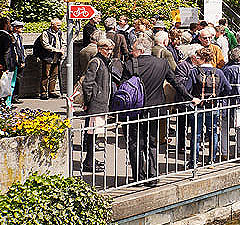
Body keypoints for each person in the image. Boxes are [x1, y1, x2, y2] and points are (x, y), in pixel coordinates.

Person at [123, 34, 183, 184]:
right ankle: (153, 176)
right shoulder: (162, 64)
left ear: (140, 50)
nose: (131, 51)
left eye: (133, 49)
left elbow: (123, 88)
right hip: (155, 109)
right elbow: (175, 82)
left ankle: (138, 177)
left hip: (134, 110)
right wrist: (189, 97)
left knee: (135, 143)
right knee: (152, 143)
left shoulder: (131, 64)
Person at [189, 47, 232, 166]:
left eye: (198, 57)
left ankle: (194, 161)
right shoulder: (218, 72)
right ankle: (211, 159)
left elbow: (187, 89)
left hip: (198, 106)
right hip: (213, 106)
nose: (196, 59)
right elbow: (228, 88)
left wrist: (192, 98)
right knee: (212, 132)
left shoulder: (194, 72)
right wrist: (218, 96)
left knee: (196, 134)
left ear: (202, 59)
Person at [81, 38, 114, 173]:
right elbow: (87, 83)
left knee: (94, 133)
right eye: (107, 49)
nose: (109, 52)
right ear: (100, 49)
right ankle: (88, 162)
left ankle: (90, 160)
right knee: (92, 132)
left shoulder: (104, 61)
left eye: (111, 49)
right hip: (96, 102)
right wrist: (89, 101)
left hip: (100, 101)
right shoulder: (96, 62)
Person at [38, 18, 64, 99]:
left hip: (56, 57)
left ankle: (51, 91)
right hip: (48, 57)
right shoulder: (45, 33)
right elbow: (45, 44)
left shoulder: (60, 32)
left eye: (60, 25)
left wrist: (62, 49)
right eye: (58, 25)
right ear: (52, 25)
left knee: (54, 75)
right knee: (46, 75)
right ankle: (43, 92)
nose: (60, 27)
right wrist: (56, 50)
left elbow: (63, 42)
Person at [6, 21, 25, 104]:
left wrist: (23, 59)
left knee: (18, 80)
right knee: (12, 80)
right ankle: (10, 97)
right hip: (13, 62)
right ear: (15, 28)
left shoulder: (20, 37)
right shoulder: (10, 37)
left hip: (19, 61)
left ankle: (15, 96)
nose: (22, 28)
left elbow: (21, 49)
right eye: (20, 27)